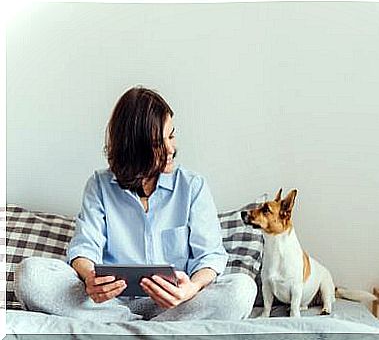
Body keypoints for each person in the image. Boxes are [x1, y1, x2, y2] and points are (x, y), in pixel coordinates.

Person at [14, 86, 257, 322]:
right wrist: (90, 279)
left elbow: (210, 256)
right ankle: (139, 326)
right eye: (157, 143)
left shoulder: (192, 186)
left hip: (176, 305)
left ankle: (126, 328)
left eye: (171, 135)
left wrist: (191, 288)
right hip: (109, 303)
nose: (171, 149)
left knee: (241, 289)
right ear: (133, 148)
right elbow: (84, 248)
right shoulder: (99, 186)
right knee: (30, 275)